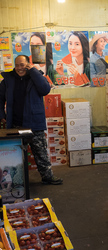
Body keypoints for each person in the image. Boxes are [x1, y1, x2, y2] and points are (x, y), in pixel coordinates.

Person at [0, 55, 63, 185]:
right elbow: (0, 98)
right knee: (15, 154)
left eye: (22, 65)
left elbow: (45, 90)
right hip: (15, 124)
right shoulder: (8, 79)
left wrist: (33, 71)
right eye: (17, 65)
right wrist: (2, 115)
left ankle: (47, 176)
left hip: (34, 122)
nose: (19, 68)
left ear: (28, 64)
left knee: (40, 152)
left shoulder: (35, 76)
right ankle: (14, 180)